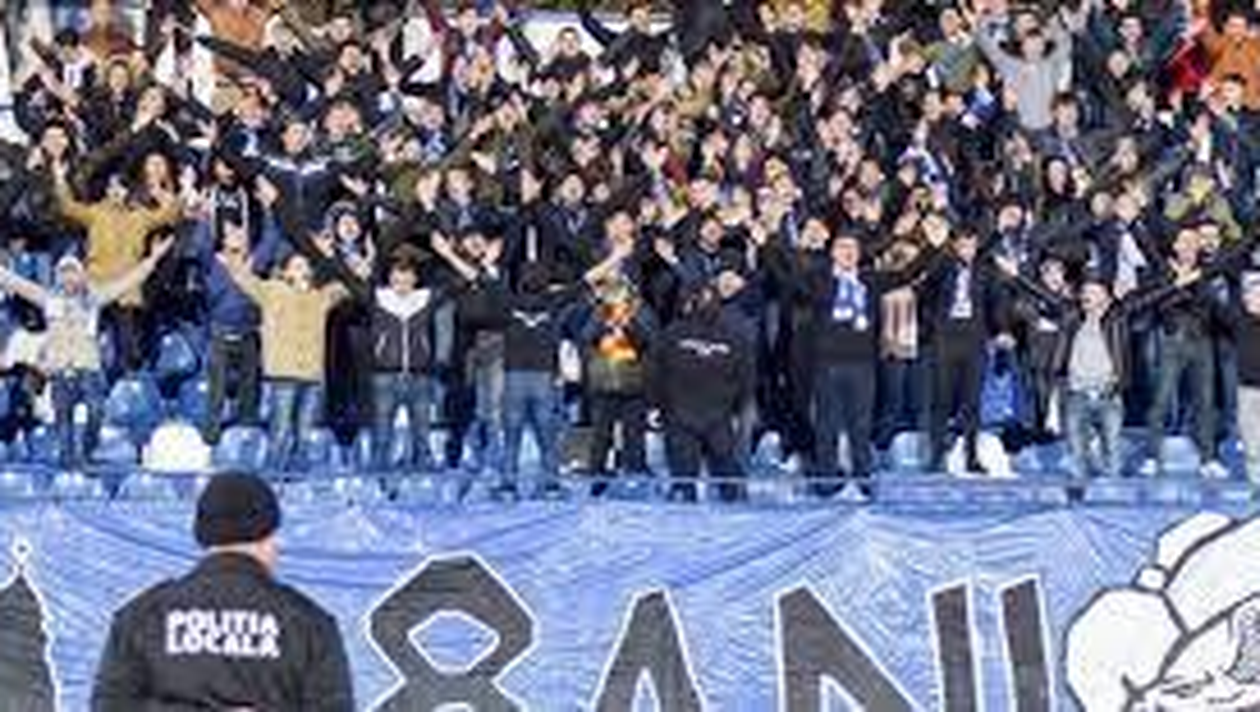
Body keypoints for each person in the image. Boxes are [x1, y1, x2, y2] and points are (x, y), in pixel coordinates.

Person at [91, 472, 354, 711]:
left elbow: (110, 707)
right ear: (269, 535)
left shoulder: (142, 616)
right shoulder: (309, 623)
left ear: (202, 534)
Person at [0, 237, 175, 466]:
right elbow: (14, 282)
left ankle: (87, 450)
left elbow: (129, 280)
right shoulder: (48, 299)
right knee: (63, 424)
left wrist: (153, 258)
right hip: (61, 372)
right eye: (64, 273)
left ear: (81, 276)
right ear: (57, 276)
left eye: (72, 272)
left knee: (96, 411)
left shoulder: (94, 300)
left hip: (88, 370)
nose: (68, 277)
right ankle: (68, 464)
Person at [650, 286, 755, 502]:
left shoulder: (672, 333)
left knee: (691, 480)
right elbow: (746, 377)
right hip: (706, 414)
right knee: (720, 477)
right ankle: (731, 503)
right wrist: (738, 406)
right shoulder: (732, 337)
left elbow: (653, 373)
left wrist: (657, 404)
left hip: (693, 413)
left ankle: (722, 503)